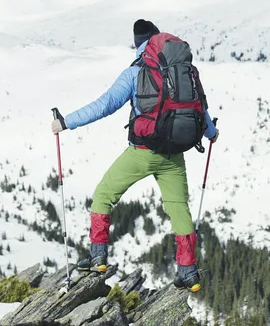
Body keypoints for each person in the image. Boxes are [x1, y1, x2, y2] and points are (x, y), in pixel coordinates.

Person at [51, 19, 219, 293]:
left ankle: (98, 257)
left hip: (141, 151)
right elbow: (199, 106)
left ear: (136, 43)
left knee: (104, 194)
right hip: (174, 155)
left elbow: (105, 104)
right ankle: (188, 272)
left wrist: (66, 122)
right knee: (178, 208)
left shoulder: (135, 72)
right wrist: (211, 133)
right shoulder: (182, 71)